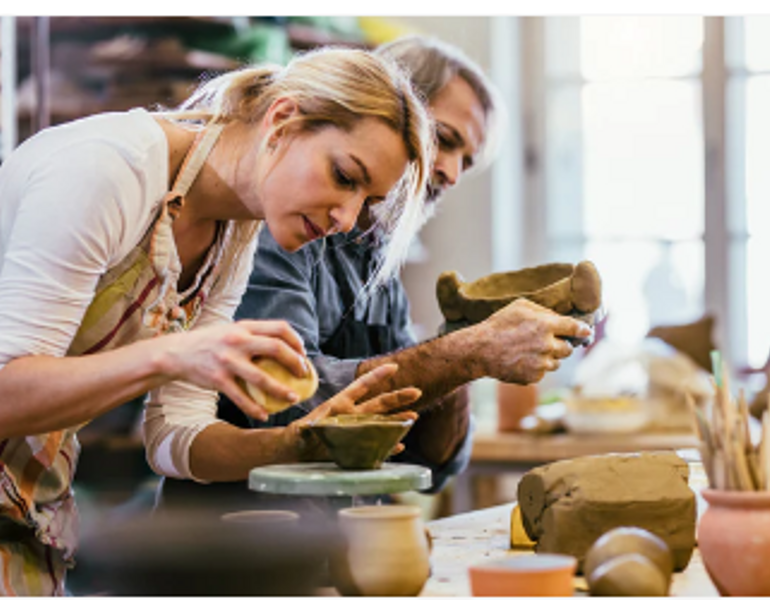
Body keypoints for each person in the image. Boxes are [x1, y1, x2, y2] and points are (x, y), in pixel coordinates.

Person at [0, 47, 435, 594]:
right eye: (345, 176)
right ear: (282, 119)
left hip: (28, 497)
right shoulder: (110, 170)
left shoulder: (232, 233)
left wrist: (301, 443)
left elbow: (175, 440)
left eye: (366, 201)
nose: (346, 219)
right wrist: (175, 354)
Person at [158, 35, 593, 511]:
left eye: (466, 161)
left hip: (341, 545)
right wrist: (465, 353)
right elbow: (289, 403)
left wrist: (466, 338)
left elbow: (431, 464)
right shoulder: (276, 220)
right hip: (236, 547)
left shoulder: (376, 256)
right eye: (442, 141)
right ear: (394, 115)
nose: (448, 172)